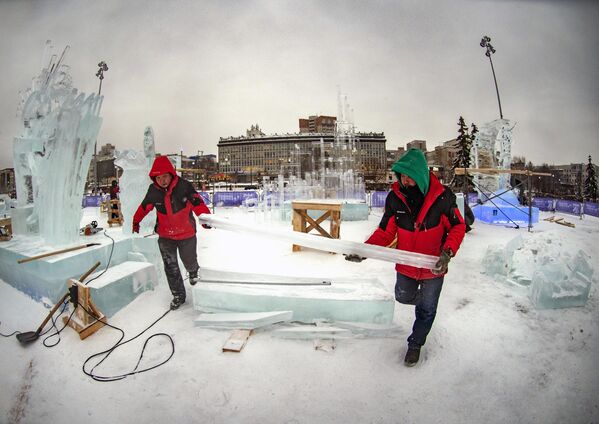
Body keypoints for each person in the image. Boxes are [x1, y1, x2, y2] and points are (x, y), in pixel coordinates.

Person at [346, 149, 466, 366]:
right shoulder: (395, 198)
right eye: (401, 175)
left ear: (420, 174)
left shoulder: (443, 197)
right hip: (406, 265)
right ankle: (426, 303)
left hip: (433, 266)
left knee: (427, 310)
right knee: (402, 296)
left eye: (409, 175)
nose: (405, 180)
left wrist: (447, 252)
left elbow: (458, 226)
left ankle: (415, 344)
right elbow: (385, 232)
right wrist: (365, 251)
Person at [132, 156, 211, 310]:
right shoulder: (153, 191)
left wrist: (205, 219)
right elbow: (144, 207)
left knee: (189, 260)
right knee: (171, 267)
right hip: (165, 236)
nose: (162, 180)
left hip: (186, 234)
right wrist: (136, 221)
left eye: (165, 176)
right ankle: (178, 295)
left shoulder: (184, 186)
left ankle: (193, 271)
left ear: (171, 174)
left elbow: (197, 203)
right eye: (158, 177)